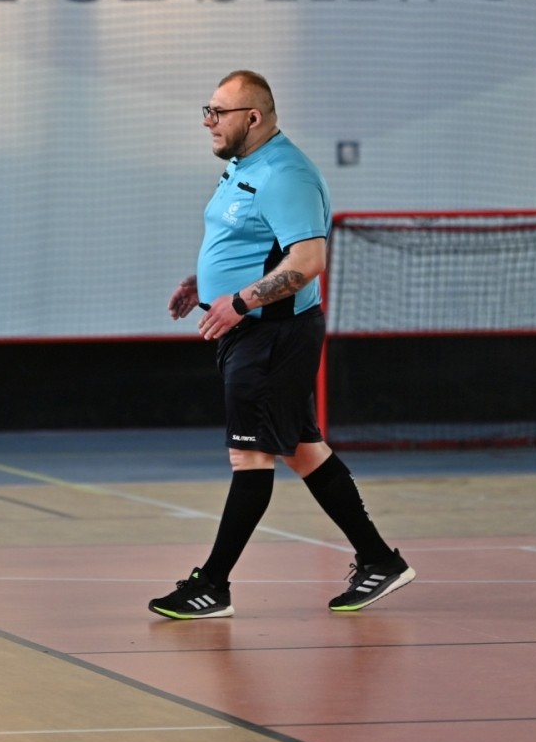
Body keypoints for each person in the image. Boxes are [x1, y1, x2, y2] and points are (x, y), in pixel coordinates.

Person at [148, 71, 415, 619]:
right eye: (207, 109)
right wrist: (205, 284)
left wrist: (240, 300)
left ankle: (212, 585)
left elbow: (308, 261)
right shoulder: (243, 166)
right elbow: (250, 242)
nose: (207, 121)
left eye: (218, 112)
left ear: (253, 117)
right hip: (251, 331)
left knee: (250, 456)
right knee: (302, 449)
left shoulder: (286, 175)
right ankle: (378, 559)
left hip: (271, 335)